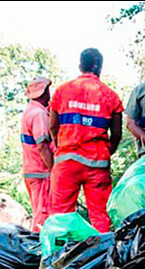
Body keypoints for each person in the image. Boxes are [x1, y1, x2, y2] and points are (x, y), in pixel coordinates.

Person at [48, 48, 123, 233]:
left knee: (60, 217)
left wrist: (62, 148)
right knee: (100, 217)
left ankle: (57, 258)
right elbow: (117, 133)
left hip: (67, 162)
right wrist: (105, 152)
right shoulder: (110, 96)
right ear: (98, 66)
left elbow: (52, 127)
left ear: (80, 65)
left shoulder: (62, 91)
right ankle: (102, 258)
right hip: (97, 164)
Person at [20, 77, 53, 232]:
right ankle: (40, 251)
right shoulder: (38, 114)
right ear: (44, 92)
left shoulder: (29, 111)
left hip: (31, 171)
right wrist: (53, 170)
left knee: (39, 211)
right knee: (43, 215)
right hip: (41, 172)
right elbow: (42, 146)